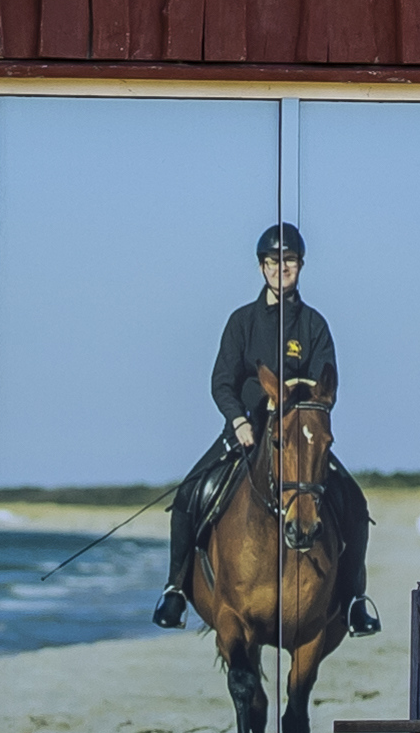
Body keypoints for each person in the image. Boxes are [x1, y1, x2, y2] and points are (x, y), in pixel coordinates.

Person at [154, 220, 376, 634]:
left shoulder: (314, 325)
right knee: (188, 494)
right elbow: (221, 381)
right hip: (245, 431)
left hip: (297, 436)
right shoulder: (241, 322)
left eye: (289, 261)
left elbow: (327, 381)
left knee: (354, 503)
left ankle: (353, 600)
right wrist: (238, 419)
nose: (281, 268)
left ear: (300, 266)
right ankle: (176, 590)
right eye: (273, 261)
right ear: (261, 267)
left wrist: (295, 401)